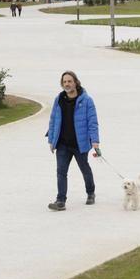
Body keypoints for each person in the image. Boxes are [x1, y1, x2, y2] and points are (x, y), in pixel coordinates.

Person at [45, 71, 101, 211]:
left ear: (75, 82)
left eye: (69, 81)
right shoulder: (59, 99)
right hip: (62, 143)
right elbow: (53, 120)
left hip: (79, 143)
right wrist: (51, 140)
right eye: (64, 82)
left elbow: (93, 122)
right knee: (61, 172)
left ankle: (90, 193)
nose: (67, 84)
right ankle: (60, 201)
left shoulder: (86, 100)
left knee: (84, 169)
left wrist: (95, 141)